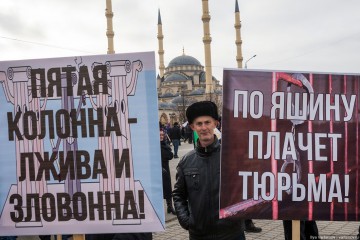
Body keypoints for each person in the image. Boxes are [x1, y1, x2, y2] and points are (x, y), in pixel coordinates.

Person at [172, 101, 246, 240]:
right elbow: (178, 195)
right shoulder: (186, 162)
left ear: (215, 124)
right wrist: (187, 221)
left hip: (231, 233)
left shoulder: (232, 157)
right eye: (199, 124)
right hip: (199, 235)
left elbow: (246, 187)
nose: (204, 127)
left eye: (207, 122)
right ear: (193, 127)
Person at [160, 127, 176, 214]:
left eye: (162, 135)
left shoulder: (165, 144)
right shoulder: (154, 145)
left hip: (165, 169)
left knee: (167, 188)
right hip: (157, 169)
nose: (161, 136)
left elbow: (170, 156)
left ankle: (170, 207)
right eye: (159, 135)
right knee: (159, 189)